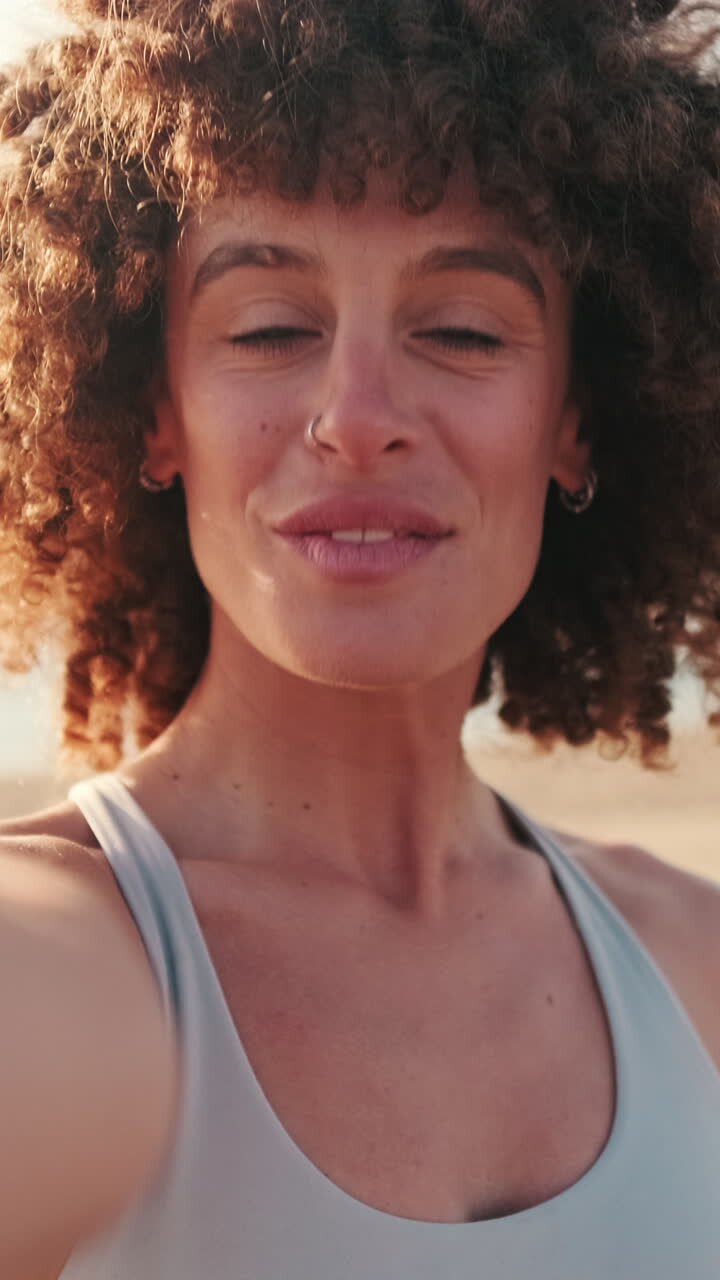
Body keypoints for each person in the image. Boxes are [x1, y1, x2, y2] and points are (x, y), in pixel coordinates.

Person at [0, 0, 719, 1275]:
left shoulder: (695, 964)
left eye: (462, 330)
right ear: (155, 410)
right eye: (270, 327)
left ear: (578, 421)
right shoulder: (56, 956)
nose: (358, 417)